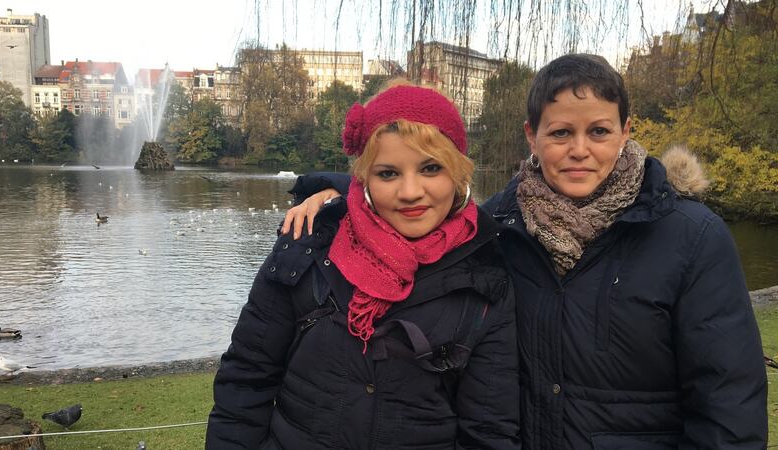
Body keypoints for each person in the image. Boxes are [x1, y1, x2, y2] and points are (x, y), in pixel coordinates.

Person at [281, 54, 768, 449]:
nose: (580, 148)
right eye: (560, 133)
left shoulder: (690, 236)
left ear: (625, 131)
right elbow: (415, 203)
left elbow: (727, 400)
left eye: (598, 131)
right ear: (531, 135)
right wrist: (335, 195)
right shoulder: (499, 226)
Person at [206, 81, 521, 449]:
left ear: (458, 173)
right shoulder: (307, 246)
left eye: (431, 169)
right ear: (365, 178)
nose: (410, 192)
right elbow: (247, 379)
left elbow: (488, 430)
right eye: (388, 173)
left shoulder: (486, 276)